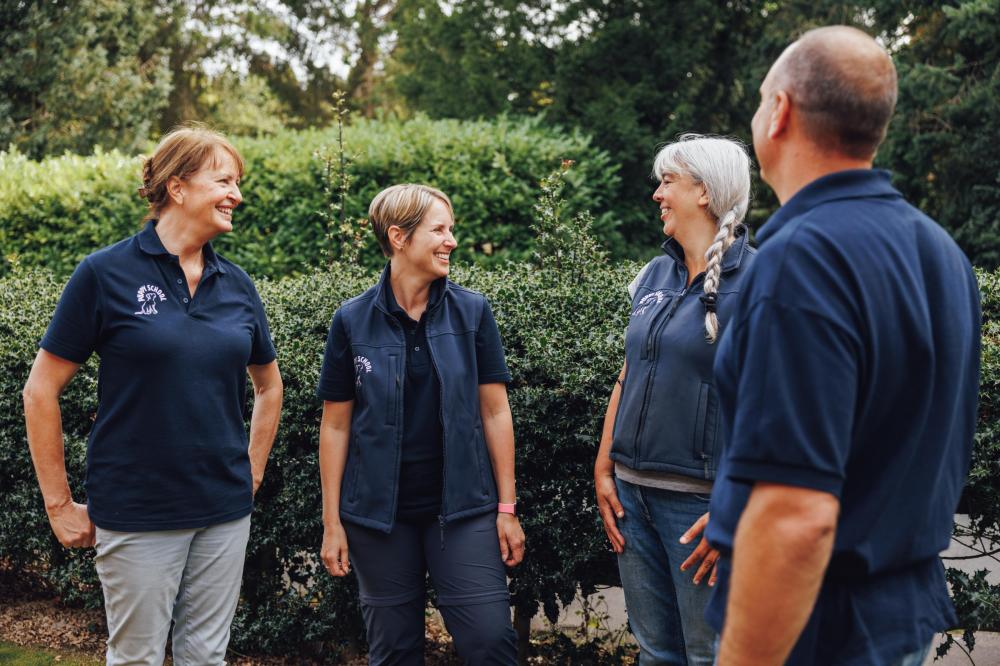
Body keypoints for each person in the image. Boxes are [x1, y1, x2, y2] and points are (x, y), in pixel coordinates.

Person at [705, 26, 981, 665]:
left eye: (760, 98)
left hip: (812, 631)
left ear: (781, 112)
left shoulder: (802, 259)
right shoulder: (943, 254)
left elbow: (797, 516)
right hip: (896, 622)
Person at [22, 126, 284, 665]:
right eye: (224, 180)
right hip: (137, 509)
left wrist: (250, 470)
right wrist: (58, 505)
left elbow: (269, 385)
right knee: (138, 657)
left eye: (238, 182)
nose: (237, 194)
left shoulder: (236, 285)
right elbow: (40, 390)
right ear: (178, 186)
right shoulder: (104, 273)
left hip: (223, 511)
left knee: (206, 656)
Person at [317, 183, 524, 665]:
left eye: (451, 229)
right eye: (439, 230)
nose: (451, 240)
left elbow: (495, 412)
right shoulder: (350, 321)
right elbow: (336, 427)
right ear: (398, 237)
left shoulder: (472, 312)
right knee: (394, 653)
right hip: (377, 519)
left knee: (491, 642)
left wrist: (507, 507)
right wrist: (332, 523)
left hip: (464, 509)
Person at [593, 134, 755, 665]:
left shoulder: (760, 283)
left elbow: (781, 406)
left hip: (700, 508)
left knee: (711, 655)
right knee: (655, 652)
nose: (657, 194)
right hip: (632, 499)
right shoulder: (653, 275)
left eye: (668, 182)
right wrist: (604, 466)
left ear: (705, 192)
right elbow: (629, 372)